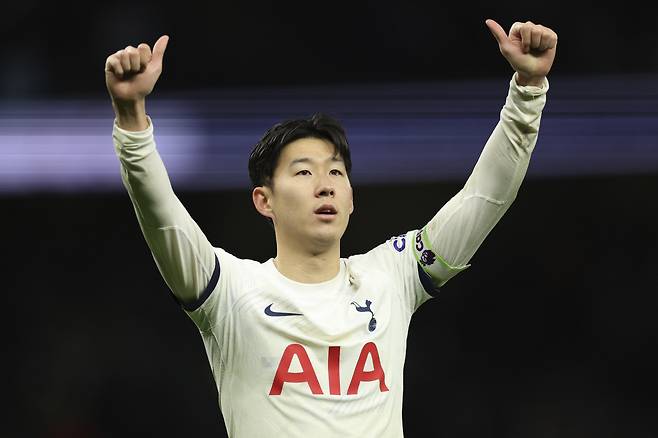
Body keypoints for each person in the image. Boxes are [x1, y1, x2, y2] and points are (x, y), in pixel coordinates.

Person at [105, 18, 557, 437]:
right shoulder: (227, 292)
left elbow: (485, 199)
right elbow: (161, 213)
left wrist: (529, 89)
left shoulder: (392, 276)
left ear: (352, 199)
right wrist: (131, 119)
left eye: (336, 173)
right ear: (264, 201)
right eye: (303, 172)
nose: (325, 185)